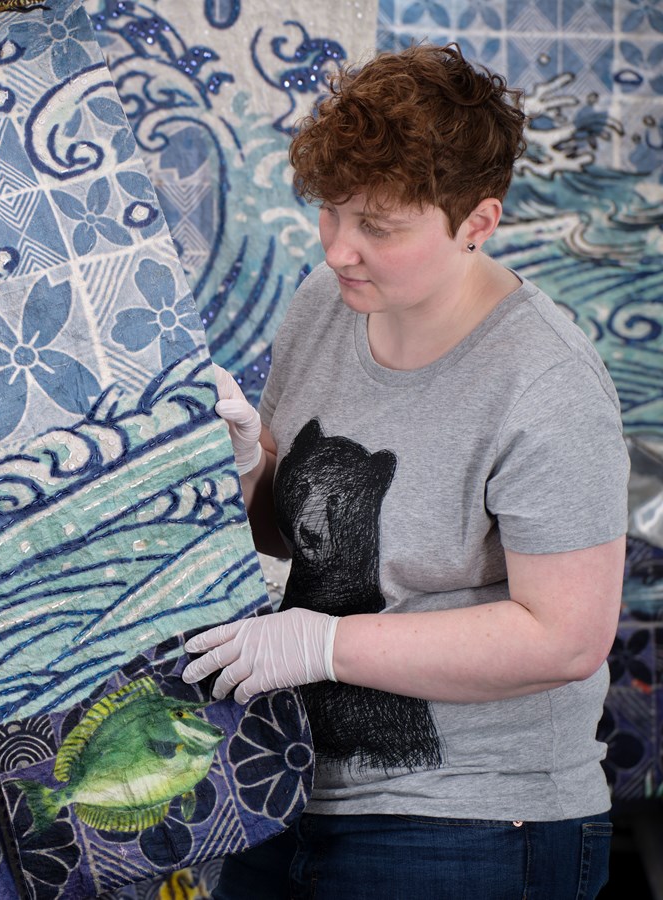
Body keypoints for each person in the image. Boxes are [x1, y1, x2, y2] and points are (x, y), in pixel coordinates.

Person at [181, 43, 630, 899]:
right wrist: (247, 470)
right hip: (296, 788)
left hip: (479, 818)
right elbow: (291, 532)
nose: (342, 249)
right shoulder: (326, 302)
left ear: (477, 223)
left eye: (380, 227)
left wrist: (324, 643)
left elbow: (566, 637)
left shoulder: (546, 383)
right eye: (331, 212)